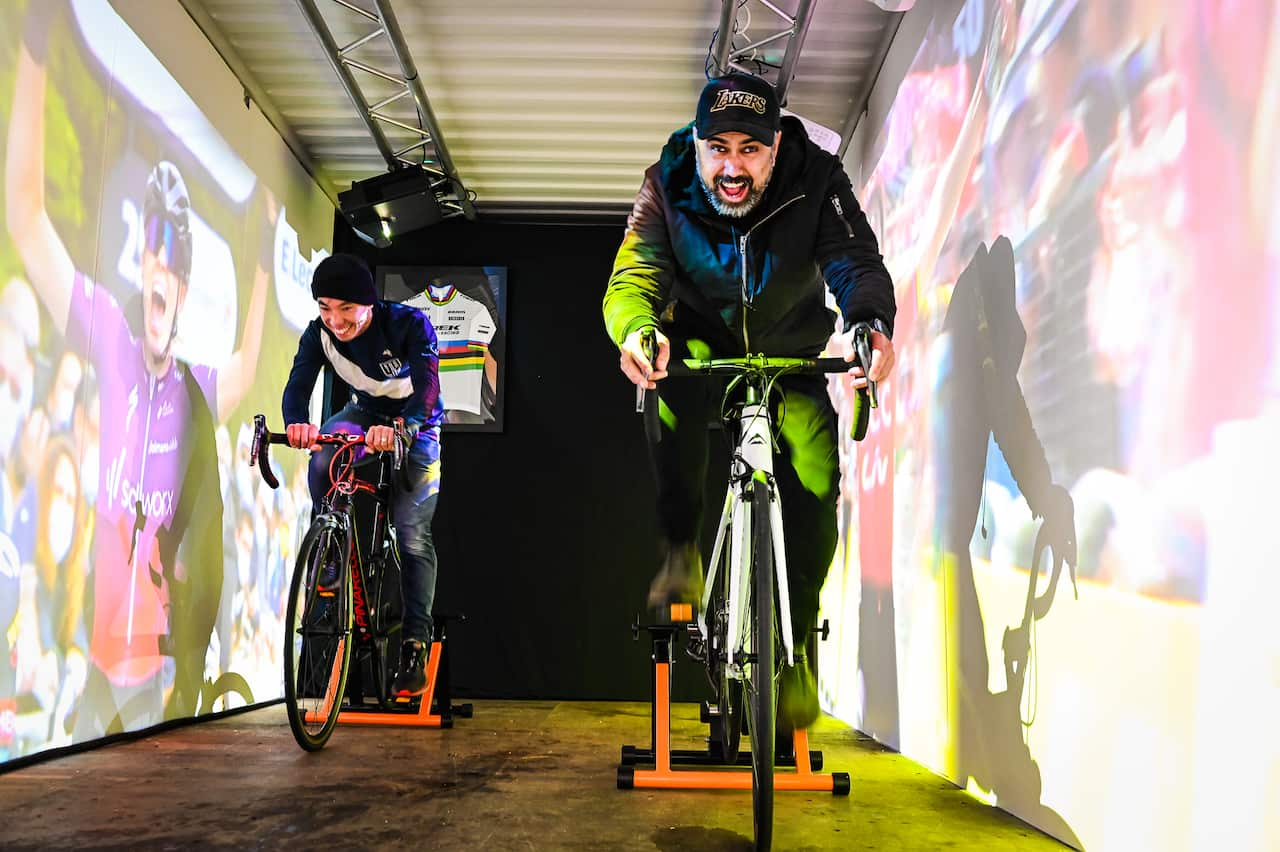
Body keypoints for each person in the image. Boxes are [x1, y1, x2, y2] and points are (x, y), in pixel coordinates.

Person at [603, 72, 897, 731]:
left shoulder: (816, 177)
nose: (732, 167)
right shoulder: (667, 180)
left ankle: (793, 650)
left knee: (818, 489)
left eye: (751, 150)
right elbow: (638, 268)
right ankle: (682, 549)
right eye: (719, 149)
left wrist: (868, 321)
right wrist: (636, 329)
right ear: (698, 145)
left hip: (791, 352)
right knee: (669, 399)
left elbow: (853, 257)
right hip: (699, 346)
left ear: (775, 145)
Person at [5, 12, 264, 730]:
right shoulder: (113, 343)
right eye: (154, 245)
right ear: (141, 263)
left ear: (180, 286)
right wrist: (34, 47)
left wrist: (267, 245)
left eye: (175, 257)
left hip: (155, 680)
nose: (162, 265)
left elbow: (242, 368)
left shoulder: (190, 385)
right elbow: (25, 216)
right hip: (88, 675)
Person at [281, 254, 445, 697]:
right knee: (324, 456)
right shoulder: (318, 335)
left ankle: (414, 643)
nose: (336, 321)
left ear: (368, 305)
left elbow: (427, 388)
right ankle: (330, 548)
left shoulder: (409, 325)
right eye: (325, 308)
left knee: (412, 532)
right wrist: (297, 421)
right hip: (363, 414)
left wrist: (403, 430)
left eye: (346, 309)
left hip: (416, 424)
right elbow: (298, 387)